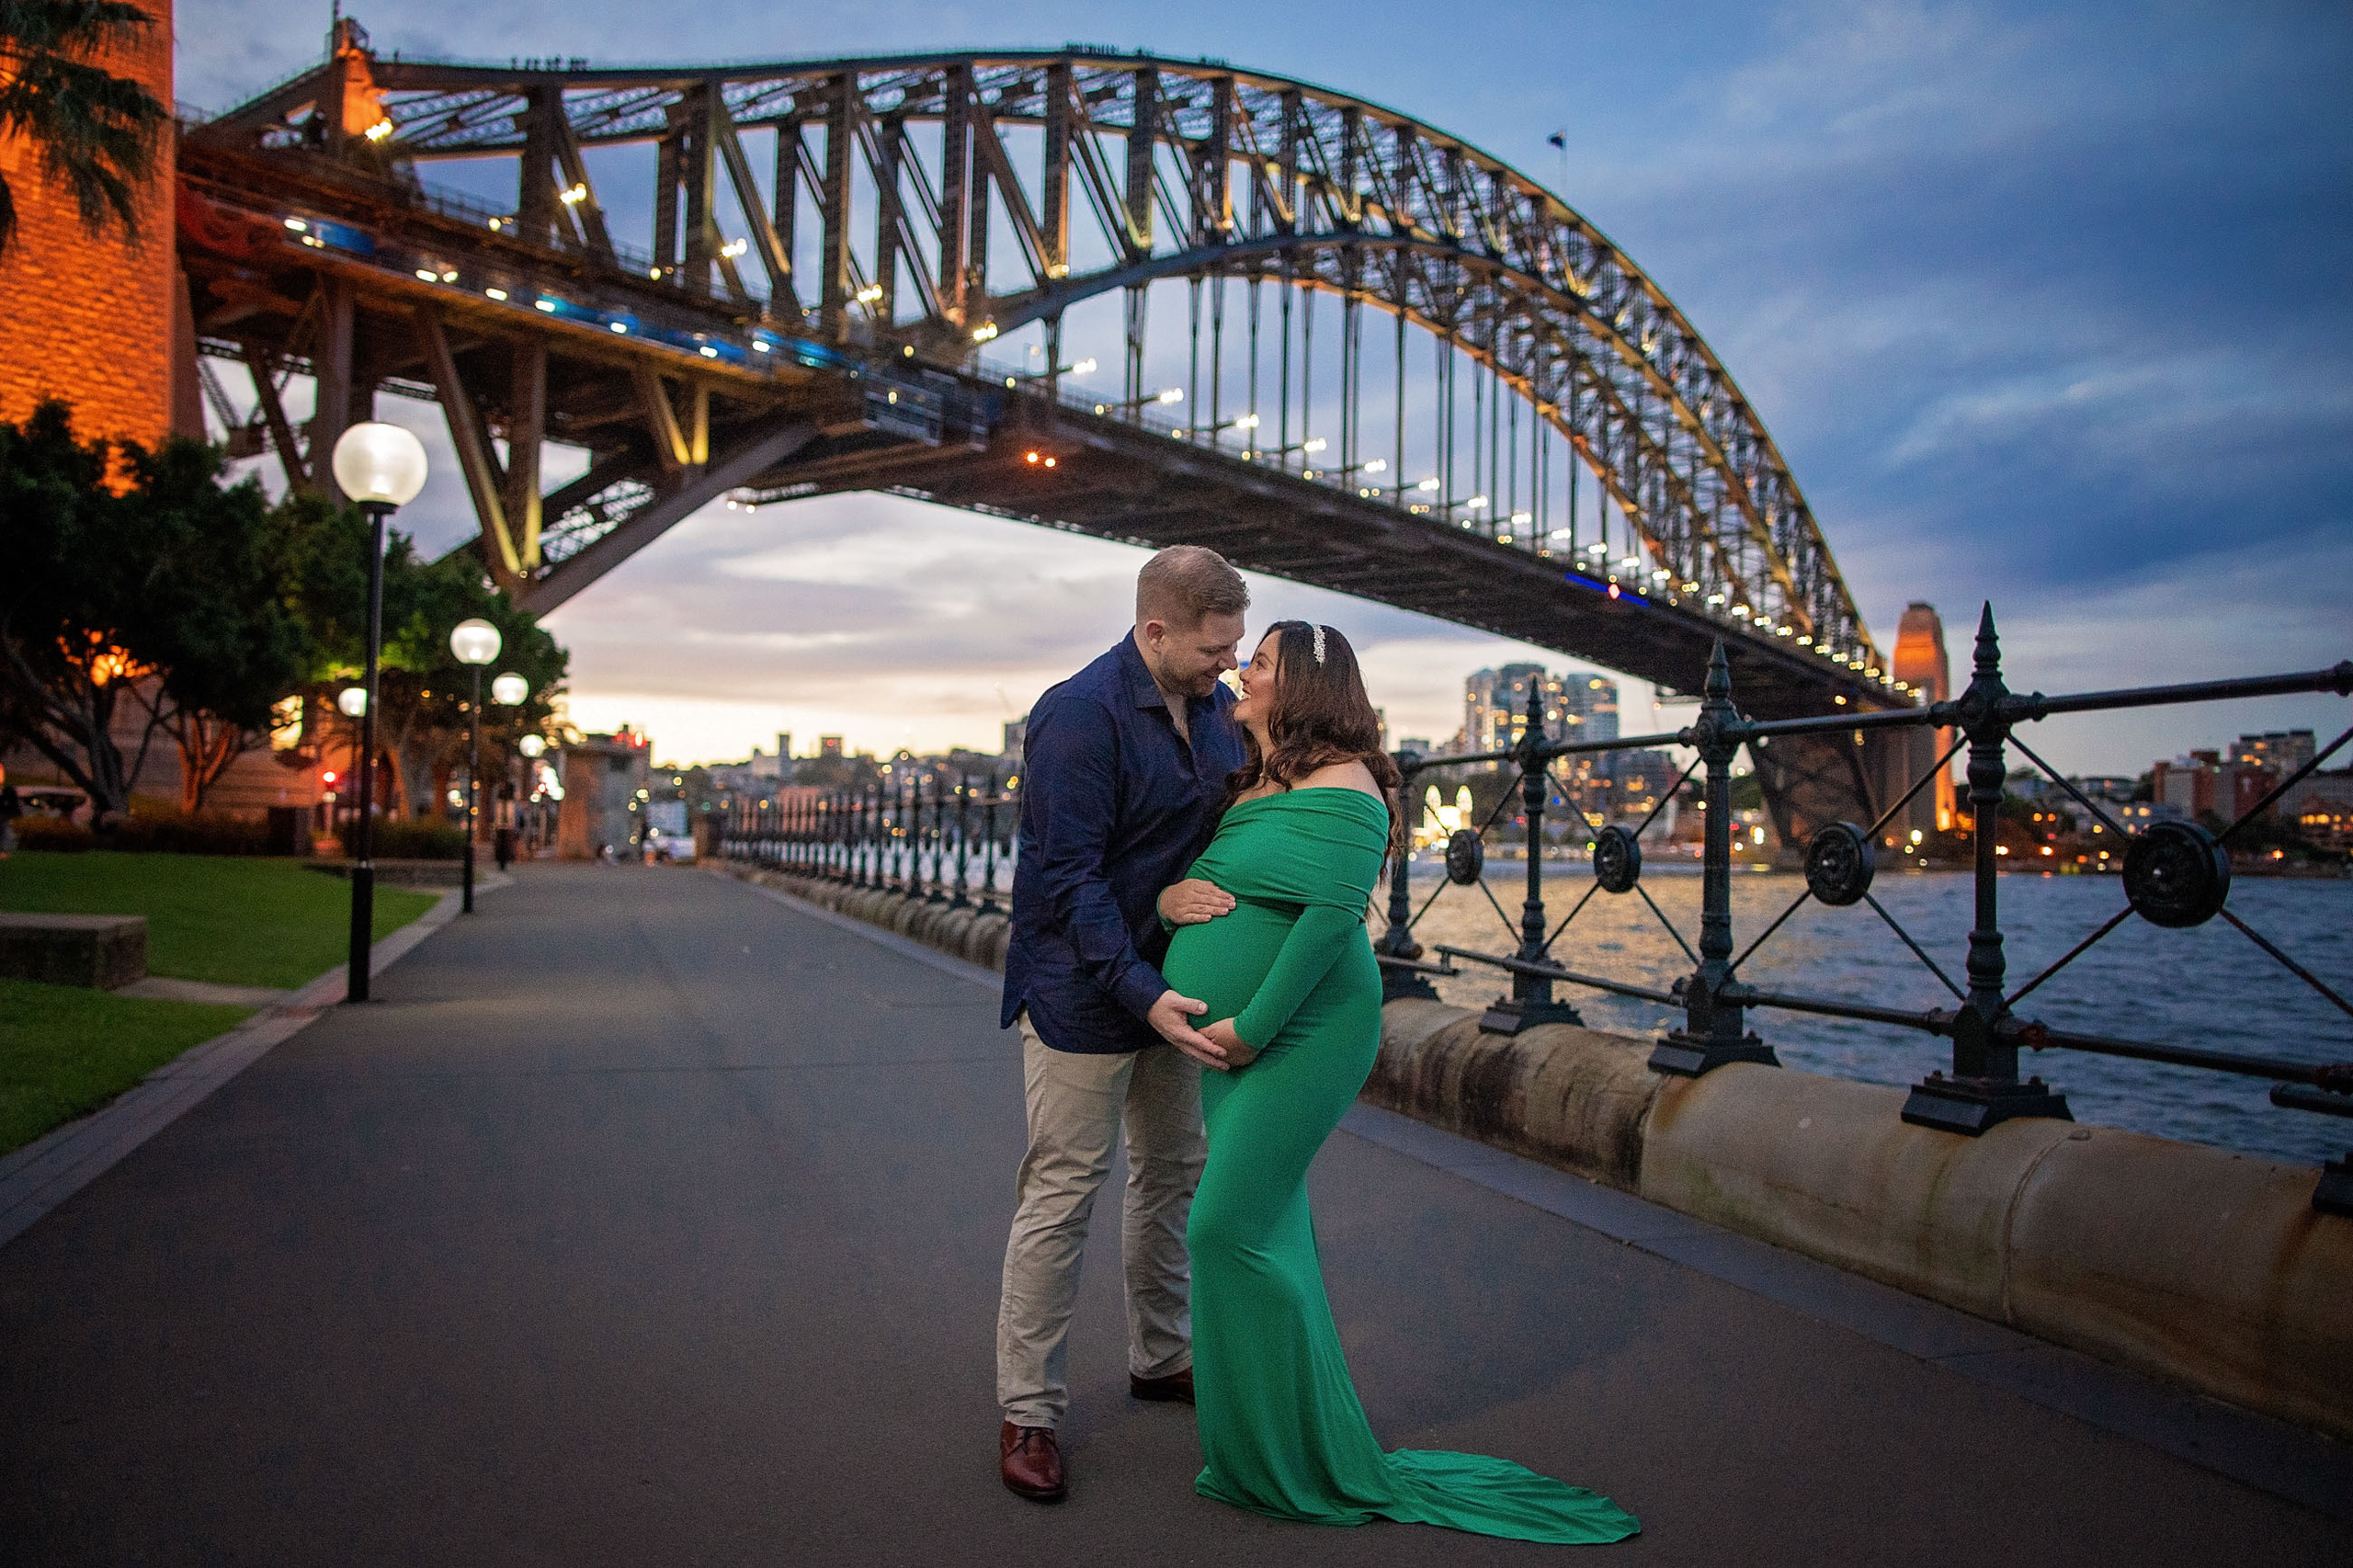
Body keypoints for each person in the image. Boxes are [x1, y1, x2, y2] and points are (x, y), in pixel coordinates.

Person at [1157, 620, 1640, 1544]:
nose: (1241, 672)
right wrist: (1162, 901)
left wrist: (1252, 1029)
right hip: (1233, 1038)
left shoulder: (1350, 785)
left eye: (1259, 662)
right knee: (1272, 1227)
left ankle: (1300, 1454)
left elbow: (1328, 921)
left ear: (1303, 685)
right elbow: (1201, 884)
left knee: (1224, 1226)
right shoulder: (1254, 781)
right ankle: (1268, 1444)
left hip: (1301, 1033)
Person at [995, 545, 1253, 1503]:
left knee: (1171, 1176)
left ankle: (1160, 1355)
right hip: (1082, 989)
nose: (1226, 664)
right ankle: (1028, 1410)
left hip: (1171, 985)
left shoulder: (1219, 711)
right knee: (1062, 1193)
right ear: (1154, 631)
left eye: (1235, 649)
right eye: (1212, 648)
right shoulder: (1078, 715)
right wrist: (1142, 975)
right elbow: (1068, 880)